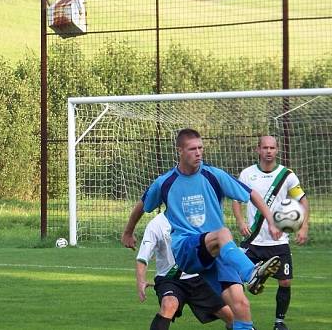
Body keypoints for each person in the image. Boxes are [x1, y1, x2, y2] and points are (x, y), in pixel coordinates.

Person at [123, 128, 282, 330]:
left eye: (200, 148)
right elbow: (142, 205)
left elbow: (251, 194)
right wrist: (128, 232)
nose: (198, 153)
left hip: (217, 252)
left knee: (241, 305)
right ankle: (251, 273)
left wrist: (271, 220)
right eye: (192, 149)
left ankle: (250, 291)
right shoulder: (166, 182)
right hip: (186, 249)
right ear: (179, 150)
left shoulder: (213, 175)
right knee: (224, 234)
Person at [232, 135, 310, 330]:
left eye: (272, 148)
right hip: (252, 241)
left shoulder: (287, 175)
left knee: (285, 281)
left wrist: (304, 226)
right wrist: (241, 221)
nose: (268, 151)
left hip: (279, 242)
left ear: (277, 150)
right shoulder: (247, 174)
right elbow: (236, 200)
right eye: (265, 147)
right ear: (258, 150)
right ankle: (238, 322)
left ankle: (279, 323)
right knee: (233, 280)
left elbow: (302, 200)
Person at [135, 212, 234, 329]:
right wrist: (141, 281)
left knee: (232, 316)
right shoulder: (156, 224)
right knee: (169, 305)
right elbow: (142, 256)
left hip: (198, 276)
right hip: (169, 279)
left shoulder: (196, 218)